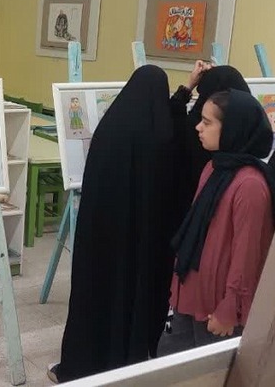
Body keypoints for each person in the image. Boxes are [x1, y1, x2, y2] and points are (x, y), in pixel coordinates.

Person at [48, 65, 190, 383]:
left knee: (97, 298)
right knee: (131, 299)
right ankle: (127, 364)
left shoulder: (109, 128)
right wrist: (183, 95)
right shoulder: (161, 138)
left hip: (102, 240)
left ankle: (85, 364)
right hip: (142, 242)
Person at [157, 90, 275, 356]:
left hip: (217, 303)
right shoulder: (214, 168)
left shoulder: (249, 184)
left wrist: (230, 307)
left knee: (210, 368)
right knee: (172, 360)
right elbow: (196, 232)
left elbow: (247, 254)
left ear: (233, 128)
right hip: (192, 290)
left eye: (207, 122)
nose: (198, 128)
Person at [171, 63, 252, 192]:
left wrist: (189, 86)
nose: (199, 127)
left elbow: (174, 118)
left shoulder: (194, 128)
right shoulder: (249, 132)